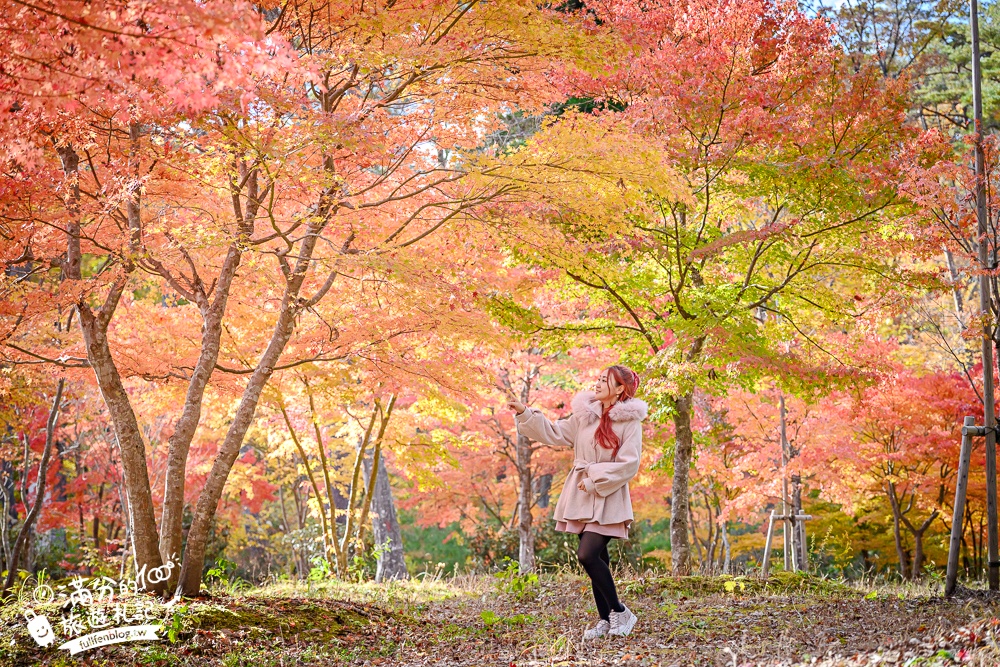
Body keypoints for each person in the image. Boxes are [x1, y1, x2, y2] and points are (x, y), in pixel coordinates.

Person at [506, 365, 646, 639]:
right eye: (597, 378)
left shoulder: (630, 422)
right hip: (580, 496)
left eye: (604, 380)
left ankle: (620, 612)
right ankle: (606, 620)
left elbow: (630, 464)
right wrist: (525, 412)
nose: (596, 383)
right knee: (597, 558)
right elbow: (555, 433)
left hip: (608, 495)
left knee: (587, 554)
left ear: (620, 388)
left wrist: (595, 478)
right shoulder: (585, 416)